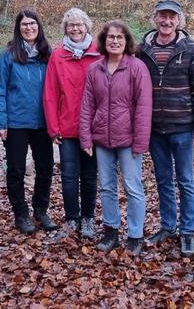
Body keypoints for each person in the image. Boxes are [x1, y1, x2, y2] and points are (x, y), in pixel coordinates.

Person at [139, 0, 194, 257]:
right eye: (162, 16)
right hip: (155, 130)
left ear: (179, 20)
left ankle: (187, 232)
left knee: (185, 181)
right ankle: (168, 226)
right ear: (155, 18)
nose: (166, 21)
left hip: (183, 127)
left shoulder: (191, 49)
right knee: (163, 181)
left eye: (172, 17)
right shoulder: (142, 49)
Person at [80, 20, 152, 256]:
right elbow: (87, 106)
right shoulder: (95, 68)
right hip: (101, 139)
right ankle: (111, 231)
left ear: (127, 41)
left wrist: (140, 142)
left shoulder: (137, 67)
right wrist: (86, 138)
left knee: (133, 187)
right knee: (107, 188)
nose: (115, 41)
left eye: (120, 37)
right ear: (104, 40)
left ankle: (135, 235)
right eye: (111, 37)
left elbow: (143, 107)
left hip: (129, 140)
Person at [0, 10, 58, 234]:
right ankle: (20, 213)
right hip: (16, 122)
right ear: (18, 28)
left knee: (46, 168)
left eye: (32, 24)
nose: (28, 28)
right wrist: (1, 122)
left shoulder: (49, 54)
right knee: (16, 169)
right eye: (24, 24)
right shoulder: (8, 55)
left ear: (39, 26)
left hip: (43, 123)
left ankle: (40, 210)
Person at [42, 8, 101, 239]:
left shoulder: (99, 54)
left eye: (79, 24)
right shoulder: (58, 56)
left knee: (89, 176)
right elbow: (50, 94)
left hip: (93, 129)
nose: (75, 29)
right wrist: (53, 128)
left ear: (87, 26)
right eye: (70, 25)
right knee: (68, 176)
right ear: (65, 29)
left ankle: (88, 218)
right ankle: (71, 218)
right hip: (65, 128)